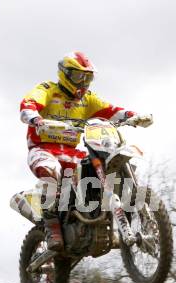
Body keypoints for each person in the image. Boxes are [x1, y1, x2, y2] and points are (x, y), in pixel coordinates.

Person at [20, 51, 153, 251]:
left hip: (73, 153)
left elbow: (112, 111)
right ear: (65, 74)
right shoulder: (48, 90)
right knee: (51, 170)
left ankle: (106, 219)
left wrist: (135, 116)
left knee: (100, 170)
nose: (83, 82)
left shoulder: (88, 99)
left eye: (88, 77)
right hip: (44, 149)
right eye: (78, 76)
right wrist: (36, 119)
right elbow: (28, 104)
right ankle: (51, 227)